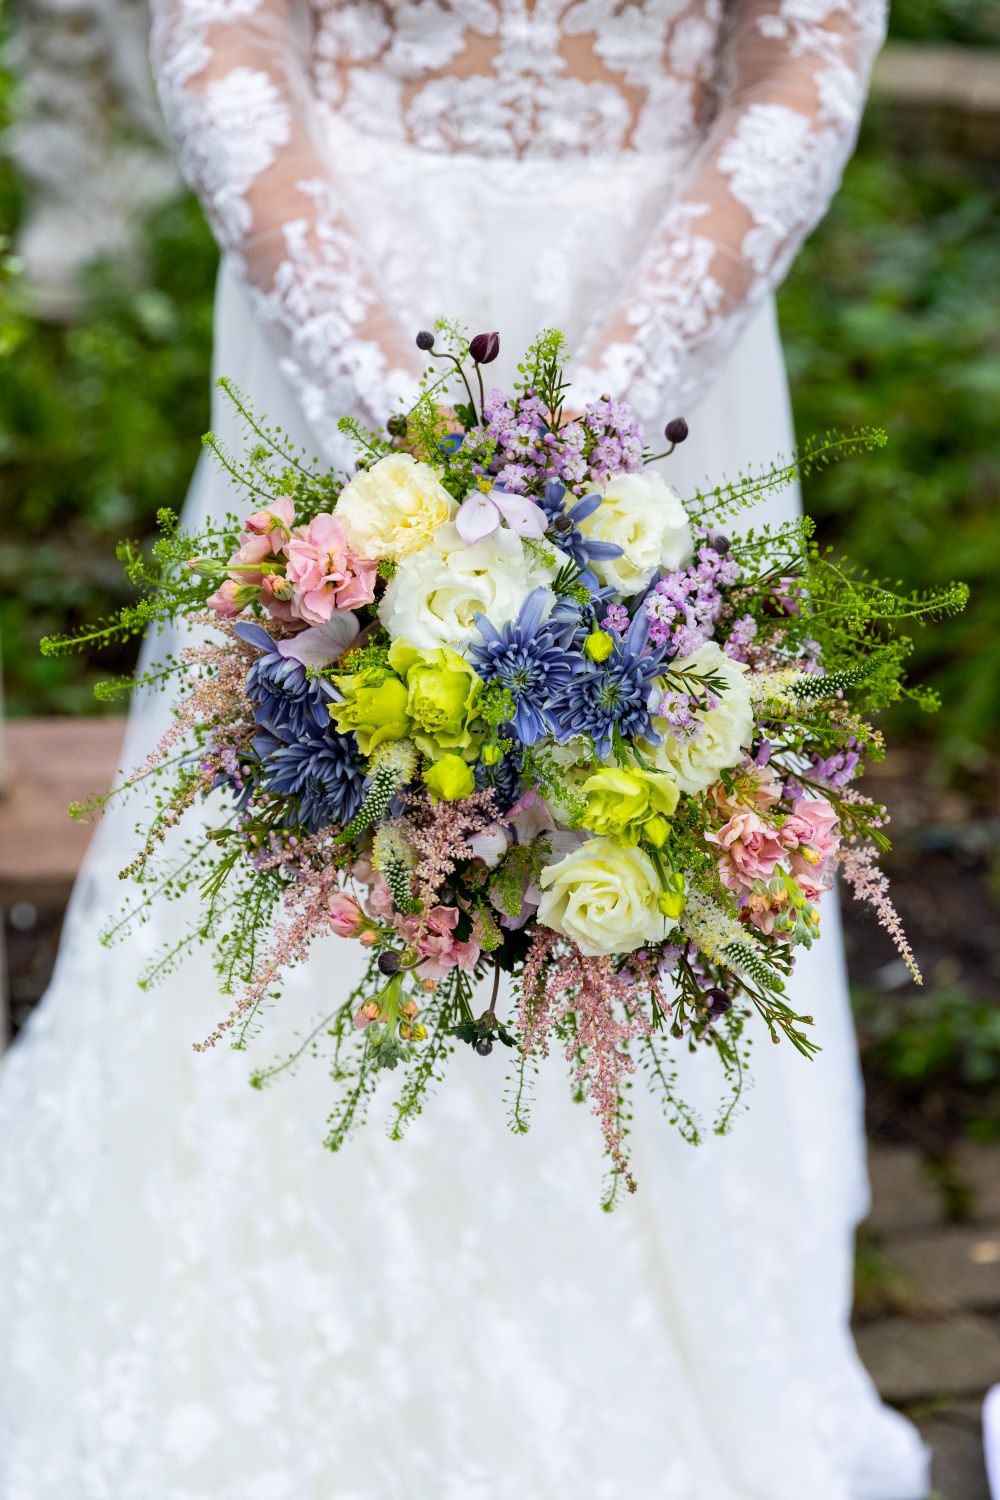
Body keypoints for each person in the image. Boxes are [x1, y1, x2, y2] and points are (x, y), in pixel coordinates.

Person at [0, 3, 930, 1496]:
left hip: (670, 328)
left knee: (641, 814)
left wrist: (596, 436)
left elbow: (802, 55)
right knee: (316, 803)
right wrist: (384, 418)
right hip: (345, 287)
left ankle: (645, 1345)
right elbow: (226, 29)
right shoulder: (346, 350)